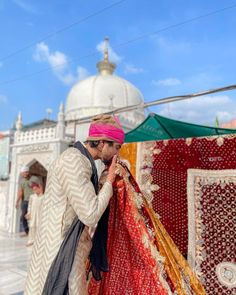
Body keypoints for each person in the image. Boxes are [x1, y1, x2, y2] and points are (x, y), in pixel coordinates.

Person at [24, 114, 125, 295]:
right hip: (59, 248)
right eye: (116, 147)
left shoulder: (82, 161)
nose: (117, 154)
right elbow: (90, 213)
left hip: (64, 244)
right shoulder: (74, 161)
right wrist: (109, 181)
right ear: (102, 143)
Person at [88, 161, 206, 295]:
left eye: (117, 147)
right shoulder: (107, 173)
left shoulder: (119, 173)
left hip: (118, 228)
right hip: (107, 232)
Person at [25, 177, 44, 247]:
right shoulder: (32, 197)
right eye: (33, 189)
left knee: (38, 227)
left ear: (39, 188)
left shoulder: (43, 197)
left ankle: (38, 241)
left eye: (36, 189)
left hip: (39, 215)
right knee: (32, 227)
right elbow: (29, 206)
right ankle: (31, 240)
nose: (34, 190)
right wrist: (29, 213)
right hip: (33, 214)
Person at [15, 165, 33, 236]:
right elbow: (20, 192)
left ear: (27, 172)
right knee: (23, 216)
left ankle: (32, 233)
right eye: (22, 173)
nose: (23, 174)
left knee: (32, 216)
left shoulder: (33, 179)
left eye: (25, 172)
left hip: (33, 201)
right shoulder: (22, 181)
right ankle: (27, 231)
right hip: (25, 201)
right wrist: (17, 202)